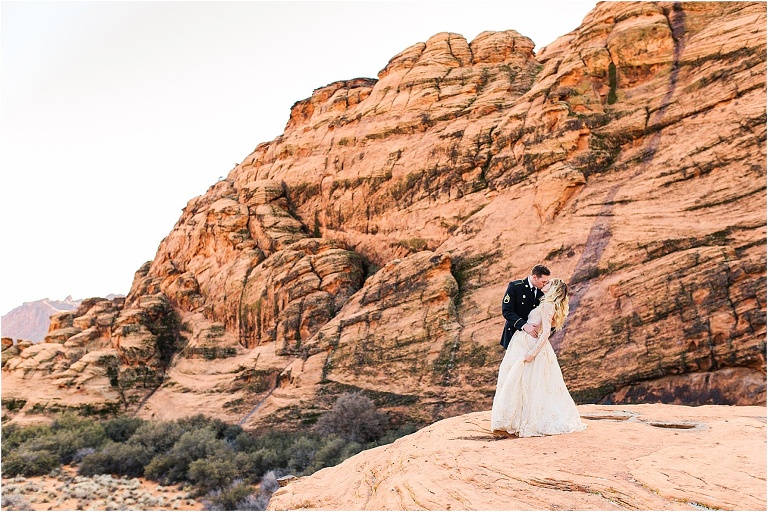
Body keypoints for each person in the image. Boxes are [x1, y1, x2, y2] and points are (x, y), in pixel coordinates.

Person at [491, 278, 586, 437]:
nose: (544, 284)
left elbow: (547, 331)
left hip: (530, 345)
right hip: (523, 341)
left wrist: (533, 353)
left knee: (524, 381)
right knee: (521, 381)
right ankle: (516, 418)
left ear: (553, 288)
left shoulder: (548, 305)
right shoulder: (545, 303)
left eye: (548, 283)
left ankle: (520, 420)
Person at [499, 264, 551, 350]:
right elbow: (507, 311)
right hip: (514, 332)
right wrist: (524, 325)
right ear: (535, 277)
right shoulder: (515, 287)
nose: (545, 284)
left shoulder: (543, 291)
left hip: (534, 337)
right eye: (543, 282)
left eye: (546, 282)